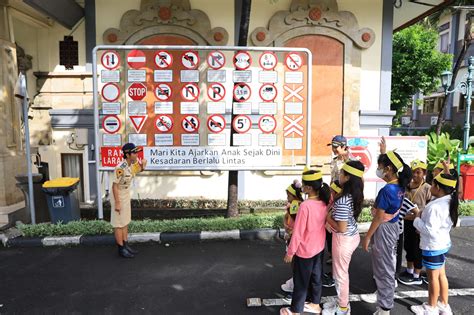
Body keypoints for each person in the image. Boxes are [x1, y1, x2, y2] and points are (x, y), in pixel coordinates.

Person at [362, 146, 412, 315]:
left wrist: (367, 237)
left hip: (383, 229)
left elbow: (378, 218)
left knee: (384, 268)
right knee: (385, 266)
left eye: (381, 167)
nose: (379, 170)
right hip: (392, 228)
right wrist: (384, 150)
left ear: (389, 169)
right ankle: (384, 297)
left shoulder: (387, 190)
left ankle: (385, 307)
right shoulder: (399, 186)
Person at [280, 169, 331, 315]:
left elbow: (298, 232)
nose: (301, 186)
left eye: (303, 184)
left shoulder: (305, 206)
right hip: (319, 248)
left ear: (308, 187)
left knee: (301, 281)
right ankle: (315, 304)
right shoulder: (323, 202)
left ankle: (296, 310)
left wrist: (291, 252)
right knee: (316, 277)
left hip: (305, 250)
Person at [410, 169, 458, 315]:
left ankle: (431, 307)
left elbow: (429, 230)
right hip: (442, 244)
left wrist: (417, 218)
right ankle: (444, 304)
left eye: (432, 184)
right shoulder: (450, 200)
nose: (430, 186)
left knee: (433, 278)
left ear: (438, 187)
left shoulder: (435, 207)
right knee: (441, 275)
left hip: (433, 247)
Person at [323, 161, 365, 315]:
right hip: (351, 236)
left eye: (341, 173)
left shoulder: (342, 200)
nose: (338, 175)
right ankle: (341, 300)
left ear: (347, 178)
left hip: (343, 239)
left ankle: (342, 308)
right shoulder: (355, 194)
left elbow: (341, 227)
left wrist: (328, 218)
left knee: (340, 275)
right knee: (339, 273)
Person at [398, 160, 431, 286]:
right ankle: (409, 270)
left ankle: (417, 274)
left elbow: (428, 208)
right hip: (407, 223)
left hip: (419, 225)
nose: (415, 175)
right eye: (413, 172)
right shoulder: (407, 187)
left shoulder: (427, 188)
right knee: (408, 246)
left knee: (417, 249)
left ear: (424, 173)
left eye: (418, 172)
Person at [111, 143, 146, 258]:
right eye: (134, 152)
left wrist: (143, 166)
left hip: (126, 194)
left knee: (125, 221)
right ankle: (121, 249)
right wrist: (117, 202)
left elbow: (137, 170)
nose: (137, 154)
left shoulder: (131, 164)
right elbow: (114, 186)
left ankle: (125, 245)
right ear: (127, 154)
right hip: (119, 195)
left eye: (137, 152)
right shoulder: (120, 168)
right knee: (118, 224)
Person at [281, 180, 304, 293]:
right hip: (292, 235)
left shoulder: (295, 204)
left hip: (294, 237)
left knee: (295, 262)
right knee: (295, 262)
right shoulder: (297, 203)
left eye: (288, 195)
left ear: (294, 195)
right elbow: (287, 217)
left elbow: (297, 223)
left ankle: (296, 283)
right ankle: (295, 280)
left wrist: (289, 231)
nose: (287, 197)